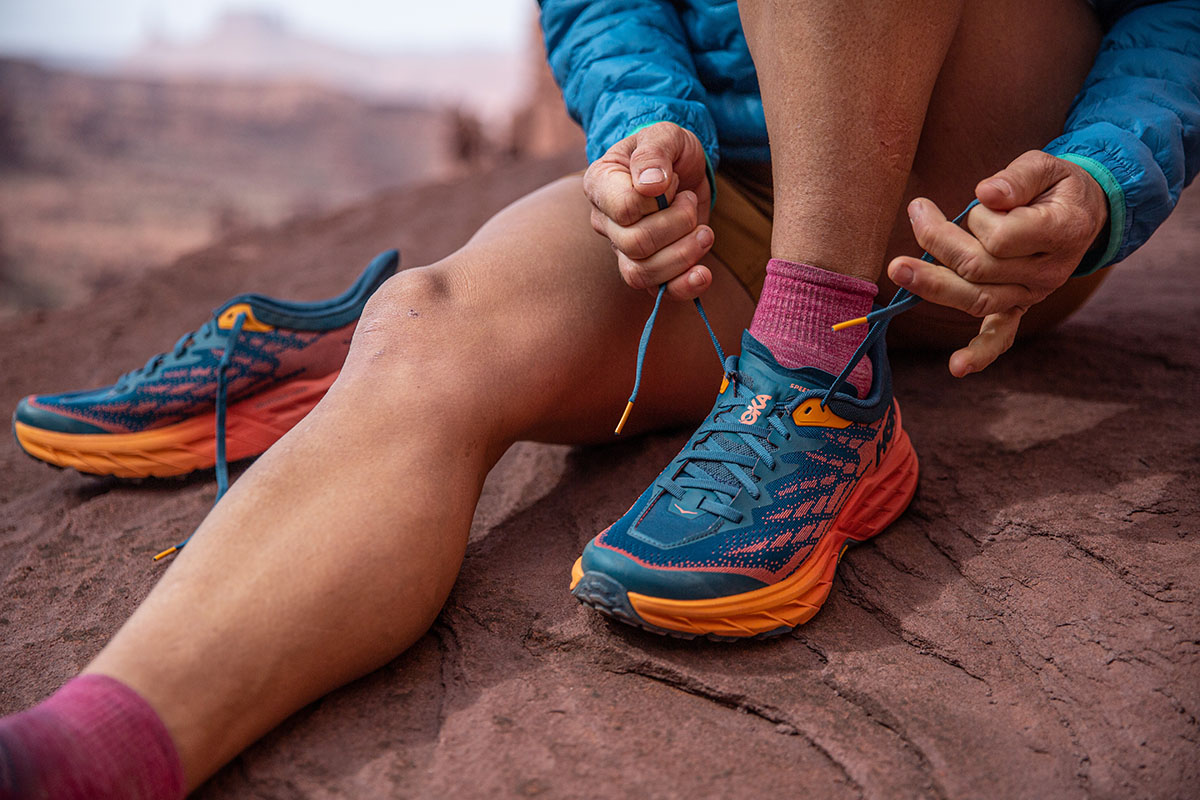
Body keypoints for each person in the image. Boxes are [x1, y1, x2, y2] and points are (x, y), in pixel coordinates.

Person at [2, 0, 1197, 796]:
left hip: (974, 198)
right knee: (427, 328)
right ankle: (92, 746)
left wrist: (1104, 177)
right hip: (730, 197)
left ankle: (821, 376)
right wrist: (643, 134)